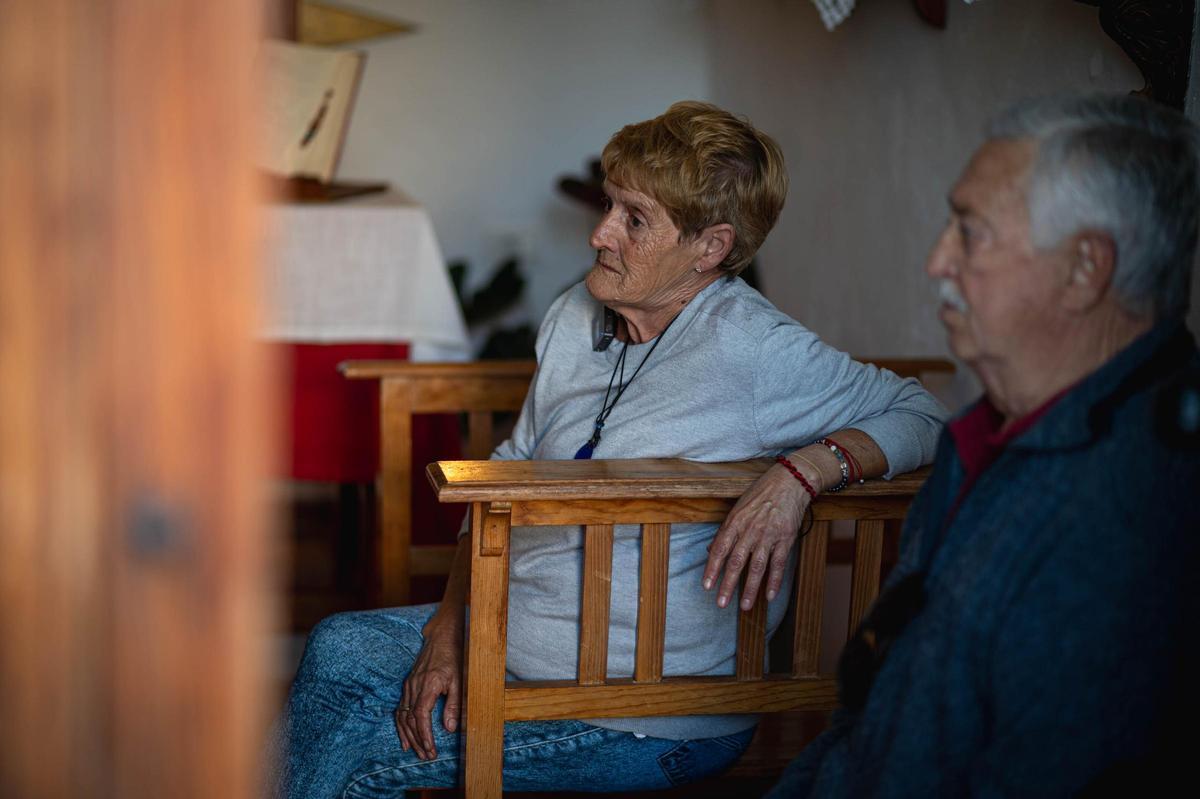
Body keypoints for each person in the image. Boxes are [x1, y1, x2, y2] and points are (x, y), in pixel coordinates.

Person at [278, 101, 946, 797]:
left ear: (710, 248)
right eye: (609, 205)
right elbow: (509, 463)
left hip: (643, 711)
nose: (600, 234)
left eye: (635, 219)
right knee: (337, 645)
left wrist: (802, 472)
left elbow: (925, 414)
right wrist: (451, 627)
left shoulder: (752, 348)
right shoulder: (575, 314)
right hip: (508, 639)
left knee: (352, 742)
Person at [768, 93, 1200, 798]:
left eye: (971, 233)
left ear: (1085, 269)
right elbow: (873, 717)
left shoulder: (1137, 500)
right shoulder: (984, 434)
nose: (937, 261)